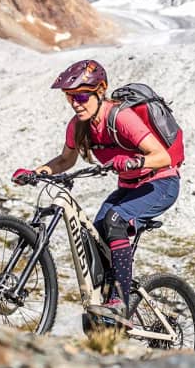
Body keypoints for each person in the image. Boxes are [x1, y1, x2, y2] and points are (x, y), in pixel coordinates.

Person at [18, 59, 180, 318]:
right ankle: (105, 303)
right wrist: (36, 172)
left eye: (82, 96)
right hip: (129, 187)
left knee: (115, 221)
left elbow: (163, 157)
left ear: (100, 90)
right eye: (69, 97)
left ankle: (120, 301)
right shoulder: (78, 125)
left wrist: (133, 160)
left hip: (160, 183)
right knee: (95, 232)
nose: (75, 103)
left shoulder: (121, 117)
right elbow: (65, 161)